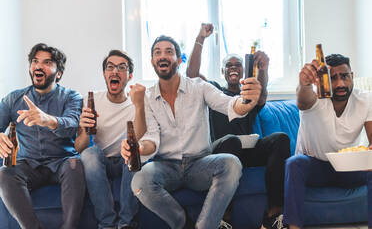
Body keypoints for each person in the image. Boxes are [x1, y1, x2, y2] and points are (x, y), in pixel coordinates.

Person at [121, 35, 261, 229]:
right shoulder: (147, 97)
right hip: (166, 166)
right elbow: (151, 140)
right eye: (157, 52)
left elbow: (229, 104)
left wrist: (247, 101)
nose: (163, 56)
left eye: (169, 52)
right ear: (152, 61)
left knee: (232, 163)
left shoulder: (200, 87)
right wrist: (137, 147)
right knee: (139, 179)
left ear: (178, 60)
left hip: (199, 164)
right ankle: (181, 222)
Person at [186, 23, 291, 229]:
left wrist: (263, 69)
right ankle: (224, 218)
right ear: (223, 71)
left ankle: (274, 215)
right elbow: (192, 75)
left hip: (247, 152)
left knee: (281, 139)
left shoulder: (249, 93)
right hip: (222, 151)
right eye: (229, 65)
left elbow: (261, 94)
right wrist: (200, 38)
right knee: (231, 141)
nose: (233, 68)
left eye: (237, 65)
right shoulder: (213, 91)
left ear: (244, 70)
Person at [0, 43, 85, 229]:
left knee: (75, 165)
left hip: (62, 162)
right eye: (35, 61)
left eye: (47, 62)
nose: (39, 66)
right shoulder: (13, 99)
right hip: (28, 164)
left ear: (59, 73)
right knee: (4, 174)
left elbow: (72, 125)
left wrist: (47, 120)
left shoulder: (72, 97)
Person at [283, 54, 372, 229]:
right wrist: (304, 84)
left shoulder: (366, 99)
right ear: (323, 80)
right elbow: (303, 100)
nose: (340, 84)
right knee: (294, 163)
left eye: (344, 76)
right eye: (333, 78)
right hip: (315, 166)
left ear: (352, 76)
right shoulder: (315, 98)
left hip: (348, 167)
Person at [74, 50, 147, 229]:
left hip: (126, 162)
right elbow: (78, 147)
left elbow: (139, 138)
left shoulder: (136, 102)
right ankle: (107, 224)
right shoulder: (90, 101)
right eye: (110, 67)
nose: (115, 71)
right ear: (105, 74)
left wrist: (140, 107)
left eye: (121, 67)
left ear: (129, 76)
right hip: (101, 163)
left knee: (133, 150)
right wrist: (85, 130)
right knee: (89, 154)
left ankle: (126, 224)